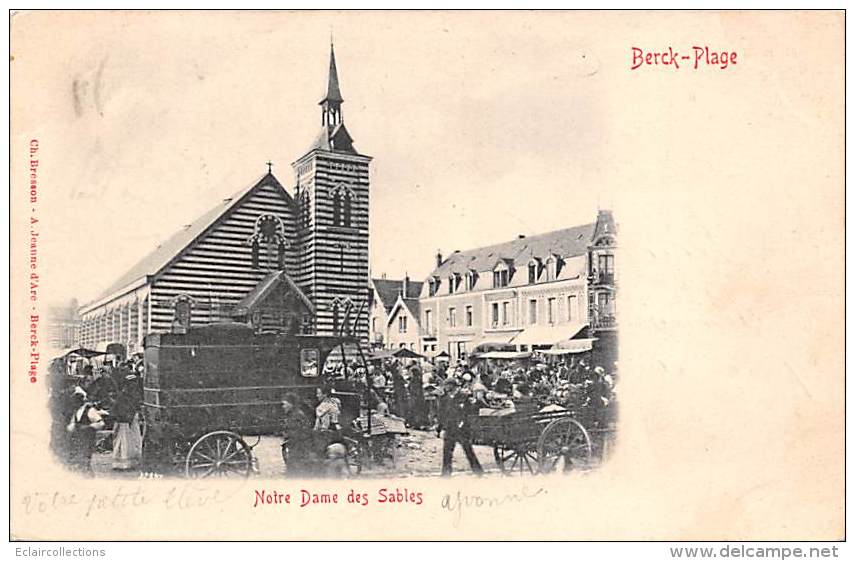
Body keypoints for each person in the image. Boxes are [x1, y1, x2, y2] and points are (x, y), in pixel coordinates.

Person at [437, 377, 483, 477]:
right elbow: (441, 414)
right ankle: (446, 473)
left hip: (461, 428)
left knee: (468, 450)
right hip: (450, 428)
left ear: (452, 386)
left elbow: (468, 412)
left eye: (447, 385)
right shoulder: (444, 398)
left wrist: (464, 422)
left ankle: (478, 471)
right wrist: (440, 428)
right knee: (447, 451)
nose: (446, 387)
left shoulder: (463, 397)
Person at [66, 388, 107, 475]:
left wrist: (89, 427)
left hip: (88, 438)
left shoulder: (90, 410)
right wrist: (71, 427)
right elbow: (73, 423)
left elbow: (101, 423)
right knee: (78, 458)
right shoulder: (76, 411)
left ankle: (88, 475)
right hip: (79, 438)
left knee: (85, 457)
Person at [111, 368, 143, 470]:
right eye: (132, 384)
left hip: (129, 420)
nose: (133, 386)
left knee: (129, 442)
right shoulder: (124, 395)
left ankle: (128, 463)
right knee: (125, 443)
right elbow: (120, 409)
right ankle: (124, 464)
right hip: (125, 421)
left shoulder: (130, 395)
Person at [406, 364, 429, 429]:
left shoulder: (414, 379)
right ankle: (417, 424)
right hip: (418, 397)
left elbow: (410, 387)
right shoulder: (418, 379)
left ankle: (414, 424)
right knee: (418, 411)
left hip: (415, 397)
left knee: (414, 410)